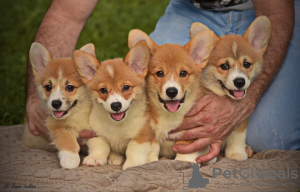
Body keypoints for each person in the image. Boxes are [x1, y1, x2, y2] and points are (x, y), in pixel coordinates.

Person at [26, 0, 300, 163]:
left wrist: (246, 101)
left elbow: (277, 12)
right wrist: (39, 95)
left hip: (268, 9)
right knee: (146, 93)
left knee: (269, 137)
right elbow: (66, 13)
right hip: (192, 9)